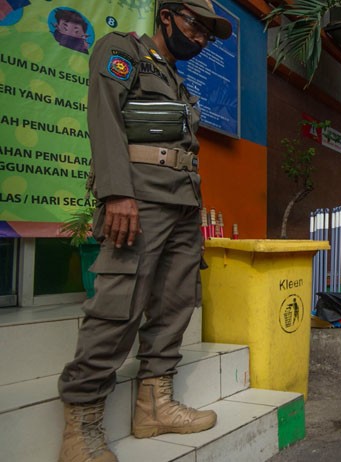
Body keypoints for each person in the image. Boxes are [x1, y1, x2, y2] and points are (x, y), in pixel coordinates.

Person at [57, 2, 232, 460]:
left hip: (181, 205)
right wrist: (116, 193)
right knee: (119, 305)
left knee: (174, 304)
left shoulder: (174, 79)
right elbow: (106, 119)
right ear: (168, 14)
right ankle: (82, 424)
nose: (199, 39)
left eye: (207, 36)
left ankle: (154, 405)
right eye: (195, 26)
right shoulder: (121, 52)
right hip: (137, 201)